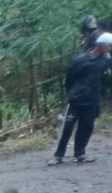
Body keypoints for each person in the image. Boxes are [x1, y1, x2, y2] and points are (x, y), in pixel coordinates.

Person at [50, 32, 112, 165]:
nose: (110, 48)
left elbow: (103, 79)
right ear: (100, 45)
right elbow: (70, 79)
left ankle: (79, 153)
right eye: (108, 46)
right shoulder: (80, 60)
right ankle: (58, 156)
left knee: (87, 127)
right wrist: (73, 93)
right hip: (76, 100)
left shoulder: (104, 61)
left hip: (92, 100)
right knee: (67, 128)